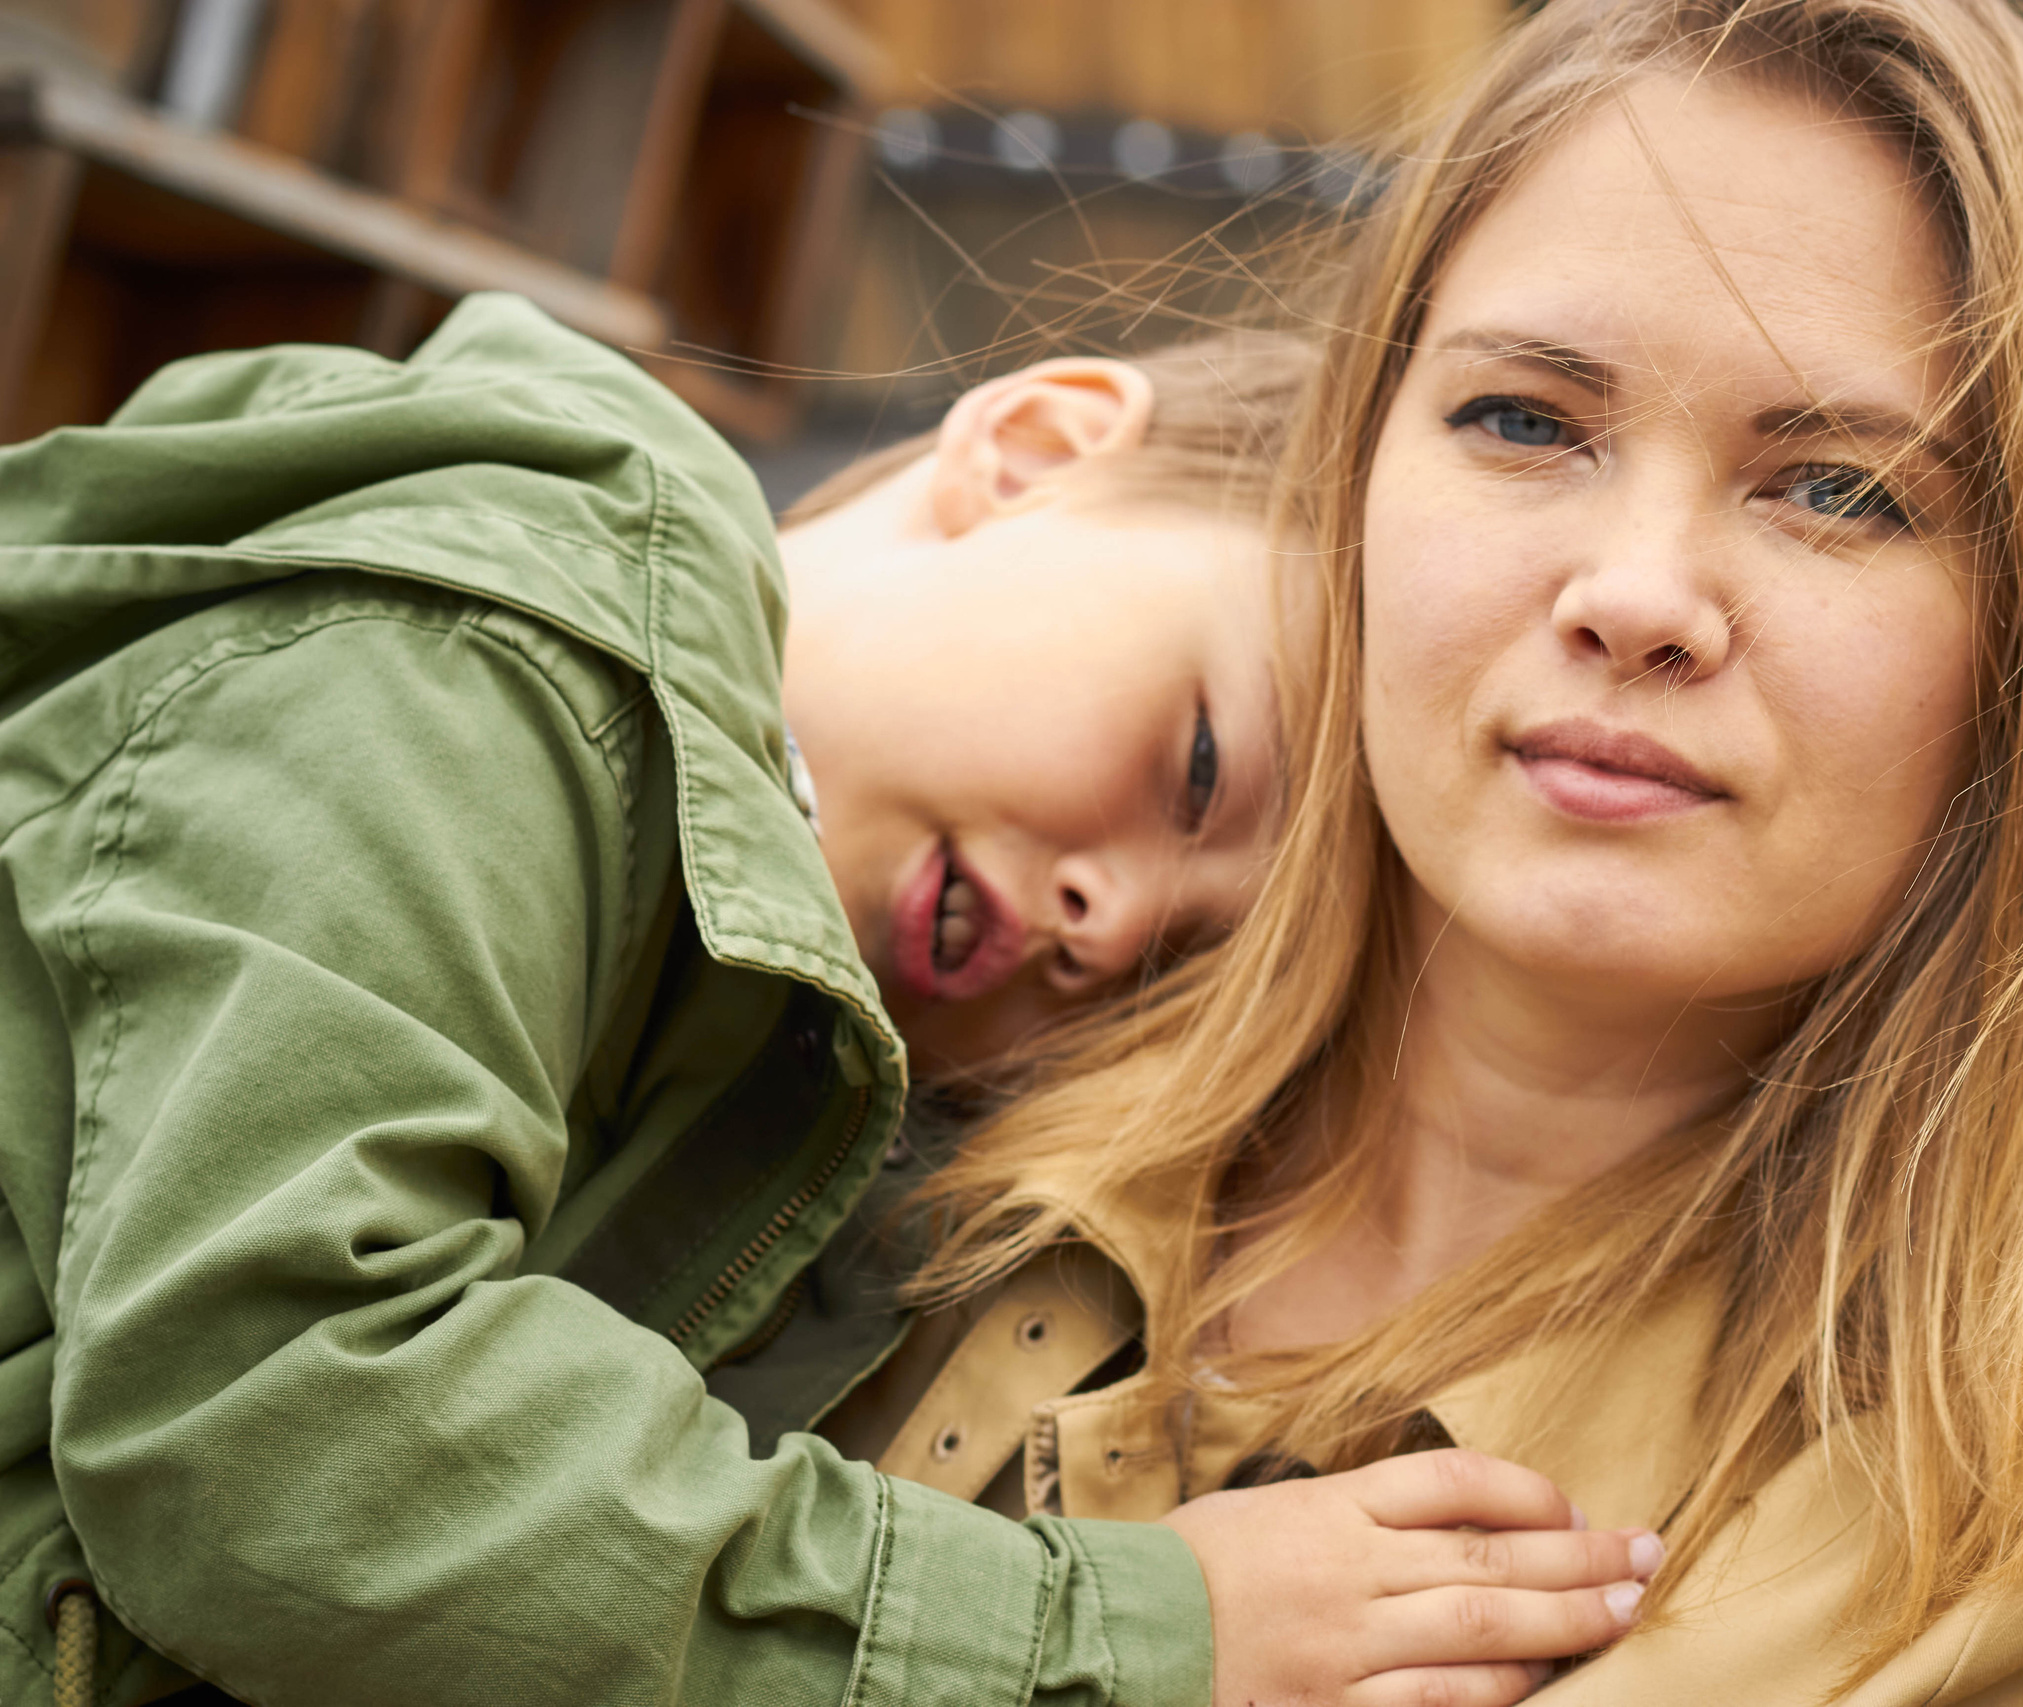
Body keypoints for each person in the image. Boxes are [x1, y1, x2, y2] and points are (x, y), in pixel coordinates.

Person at [804, 1, 2023, 1702]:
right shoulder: (838, 1131)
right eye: (1525, 420)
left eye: (1840, 490)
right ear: (1359, 471)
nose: (1639, 594)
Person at [0, 297, 1646, 1705]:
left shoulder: (778, 1058)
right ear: (1038, 447)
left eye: (1180, 969)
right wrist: (1131, 1641)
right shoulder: (480, 672)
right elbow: (271, 1437)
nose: (1110, 915)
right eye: (1198, 763)